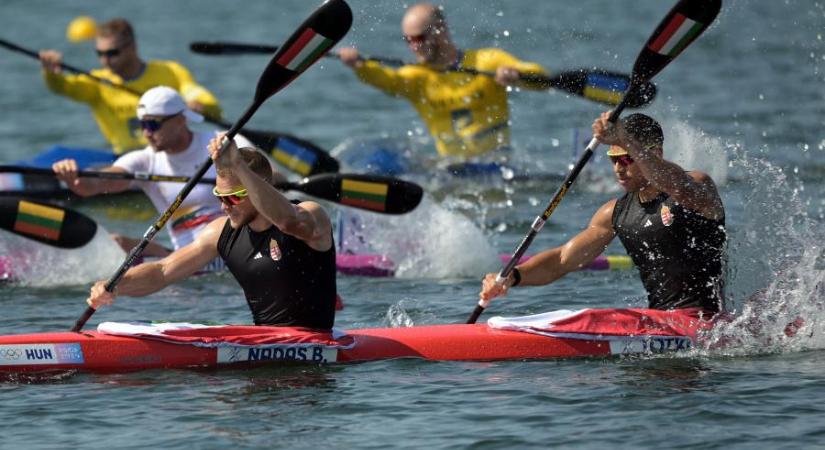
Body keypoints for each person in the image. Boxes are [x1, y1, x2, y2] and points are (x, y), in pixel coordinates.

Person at [480, 112, 727, 316]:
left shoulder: (697, 187)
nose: (618, 169)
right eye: (613, 160)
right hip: (660, 321)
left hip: (705, 323)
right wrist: (511, 277)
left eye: (627, 159)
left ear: (657, 153)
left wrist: (628, 139)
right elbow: (562, 261)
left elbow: (676, 185)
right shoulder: (614, 212)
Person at [85, 134, 337, 329]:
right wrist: (115, 285)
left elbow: (286, 222)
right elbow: (162, 272)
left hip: (315, 346)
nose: (224, 206)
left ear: (263, 188)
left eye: (234, 198)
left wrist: (238, 164)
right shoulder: (221, 232)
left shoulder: (311, 215)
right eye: (220, 196)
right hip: (267, 347)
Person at [52, 86, 266, 258]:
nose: (146, 133)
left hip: (240, 247)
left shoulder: (224, 142)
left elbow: (272, 177)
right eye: (141, 124)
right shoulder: (145, 161)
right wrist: (76, 178)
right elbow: (96, 184)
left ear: (181, 120)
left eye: (153, 124)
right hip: (190, 259)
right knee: (117, 243)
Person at [338, 3, 547, 159]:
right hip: (452, 171)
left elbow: (542, 79)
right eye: (408, 40)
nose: (414, 47)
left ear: (440, 30)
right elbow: (388, 80)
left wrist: (516, 74)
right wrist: (360, 66)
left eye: (418, 38)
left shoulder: (487, 62)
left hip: (497, 165)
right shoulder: (416, 77)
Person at [39, 18, 222, 154]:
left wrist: (200, 105)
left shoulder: (169, 71)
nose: (105, 60)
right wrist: (51, 72)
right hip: (126, 157)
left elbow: (199, 96)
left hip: (168, 151)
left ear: (132, 47)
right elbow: (63, 87)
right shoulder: (96, 82)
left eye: (112, 52)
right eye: (100, 53)